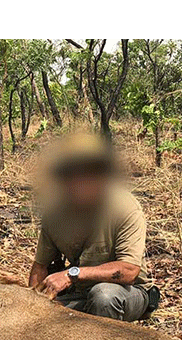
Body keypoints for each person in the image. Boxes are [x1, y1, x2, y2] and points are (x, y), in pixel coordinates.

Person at [28, 132, 157, 321]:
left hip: (126, 292)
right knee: (44, 313)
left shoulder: (124, 207)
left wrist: (72, 274)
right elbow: (40, 267)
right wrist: (32, 304)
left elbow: (129, 271)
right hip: (80, 293)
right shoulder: (55, 213)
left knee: (104, 297)